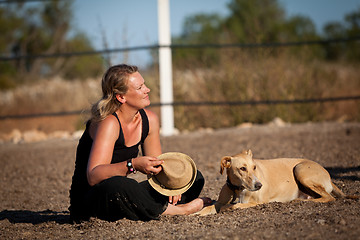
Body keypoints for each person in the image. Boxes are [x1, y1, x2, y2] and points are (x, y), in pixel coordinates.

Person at [69, 64, 210, 222]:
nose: (147, 89)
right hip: (93, 201)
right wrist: (132, 165)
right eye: (140, 87)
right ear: (121, 97)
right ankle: (179, 210)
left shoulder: (149, 119)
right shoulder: (109, 123)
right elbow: (93, 176)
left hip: (126, 195)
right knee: (120, 185)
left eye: (145, 84)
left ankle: (156, 207)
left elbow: (157, 167)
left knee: (193, 177)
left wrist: (171, 183)